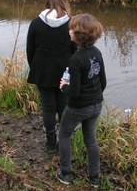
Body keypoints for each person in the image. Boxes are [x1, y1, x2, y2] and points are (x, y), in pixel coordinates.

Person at [57, 13, 106, 189]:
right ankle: (94, 177)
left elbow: (75, 93)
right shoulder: (97, 52)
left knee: (64, 135)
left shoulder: (76, 59)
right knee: (91, 139)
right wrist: (93, 97)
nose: (69, 30)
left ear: (78, 35)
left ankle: (66, 174)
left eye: (71, 28)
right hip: (96, 105)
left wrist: (64, 87)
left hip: (78, 107)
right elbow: (103, 82)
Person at [26, 0, 76, 154]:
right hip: (65, 72)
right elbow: (76, 50)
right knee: (63, 107)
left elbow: (30, 50)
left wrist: (35, 67)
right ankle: (65, 141)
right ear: (64, 1)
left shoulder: (36, 23)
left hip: (42, 71)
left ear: (48, 1)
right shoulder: (71, 24)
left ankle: (50, 143)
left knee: (48, 108)